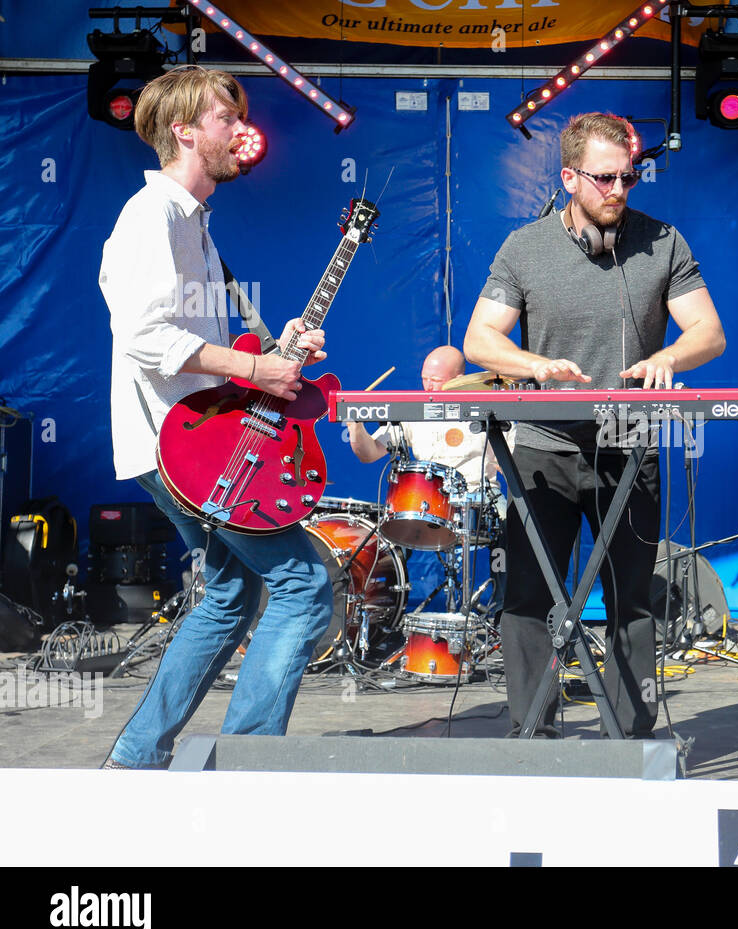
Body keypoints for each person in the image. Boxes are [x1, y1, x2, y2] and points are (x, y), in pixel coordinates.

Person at [99, 66, 333, 769]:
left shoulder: (193, 224)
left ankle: (137, 759)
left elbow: (199, 350)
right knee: (303, 583)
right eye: (226, 118)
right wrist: (257, 369)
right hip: (182, 450)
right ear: (184, 131)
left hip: (188, 441)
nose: (241, 130)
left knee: (231, 593)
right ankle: (246, 764)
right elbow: (143, 337)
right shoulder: (154, 217)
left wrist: (274, 347)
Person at [464, 112, 726, 738]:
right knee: (529, 595)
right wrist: (537, 367)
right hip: (542, 447)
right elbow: (479, 340)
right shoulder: (524, 248)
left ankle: (630, 737)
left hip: (628, 444)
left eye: (628, 178)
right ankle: (533, 735)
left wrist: (667, 358)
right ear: (569, 178)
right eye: (604, 178)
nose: (618, 191)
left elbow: (709, 333)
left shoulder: (663, 242)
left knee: (631, 600)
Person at [346, 345, 500, 492]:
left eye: (436, 380)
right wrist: (355, 428)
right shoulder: (414, 411)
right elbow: (369, 454)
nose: (428, 386)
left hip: (480, 497)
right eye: (424, 378)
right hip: (430, 500)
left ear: (458, 379)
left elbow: (515, 461)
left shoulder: (485, 411)